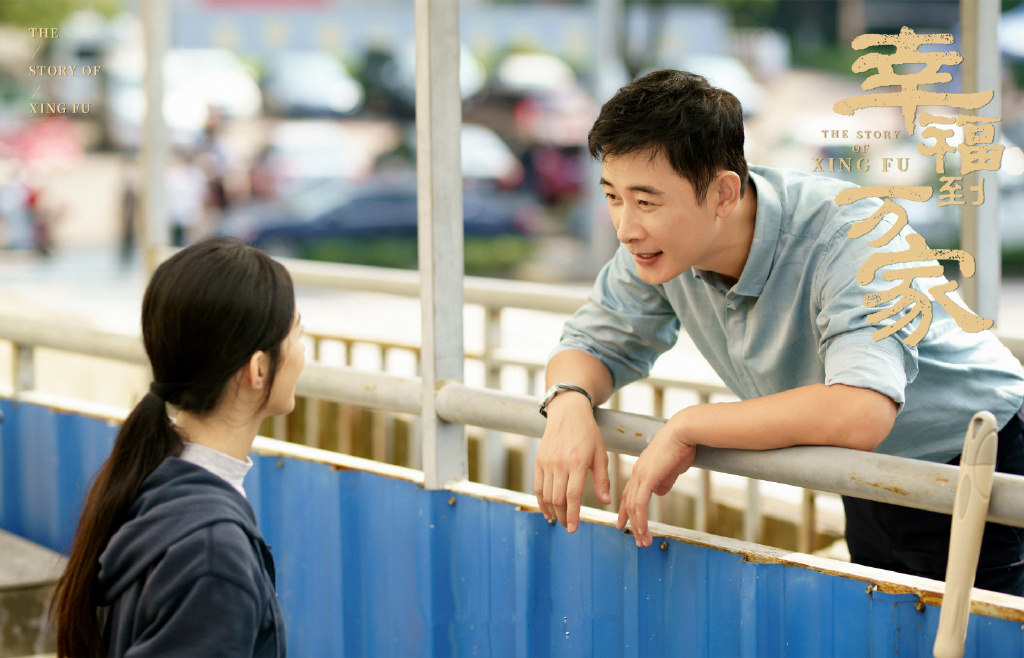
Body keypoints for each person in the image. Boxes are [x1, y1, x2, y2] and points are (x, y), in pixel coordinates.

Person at [533, 69, 1024, 594]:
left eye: (646, 201)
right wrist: (567, 403)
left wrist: (690, 424)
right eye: (612, 196)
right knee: (891, 631)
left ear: (723, 192)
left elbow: (862, 410)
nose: (626, 226)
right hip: (868, 474)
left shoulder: (853, 233)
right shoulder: (656, 248)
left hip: (987, 460)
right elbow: (592, 342)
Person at [52, 237, 305, 656]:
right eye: (298, 333)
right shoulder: (214, 557)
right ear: (258, 369)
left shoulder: (151, 483)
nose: (302, 353)